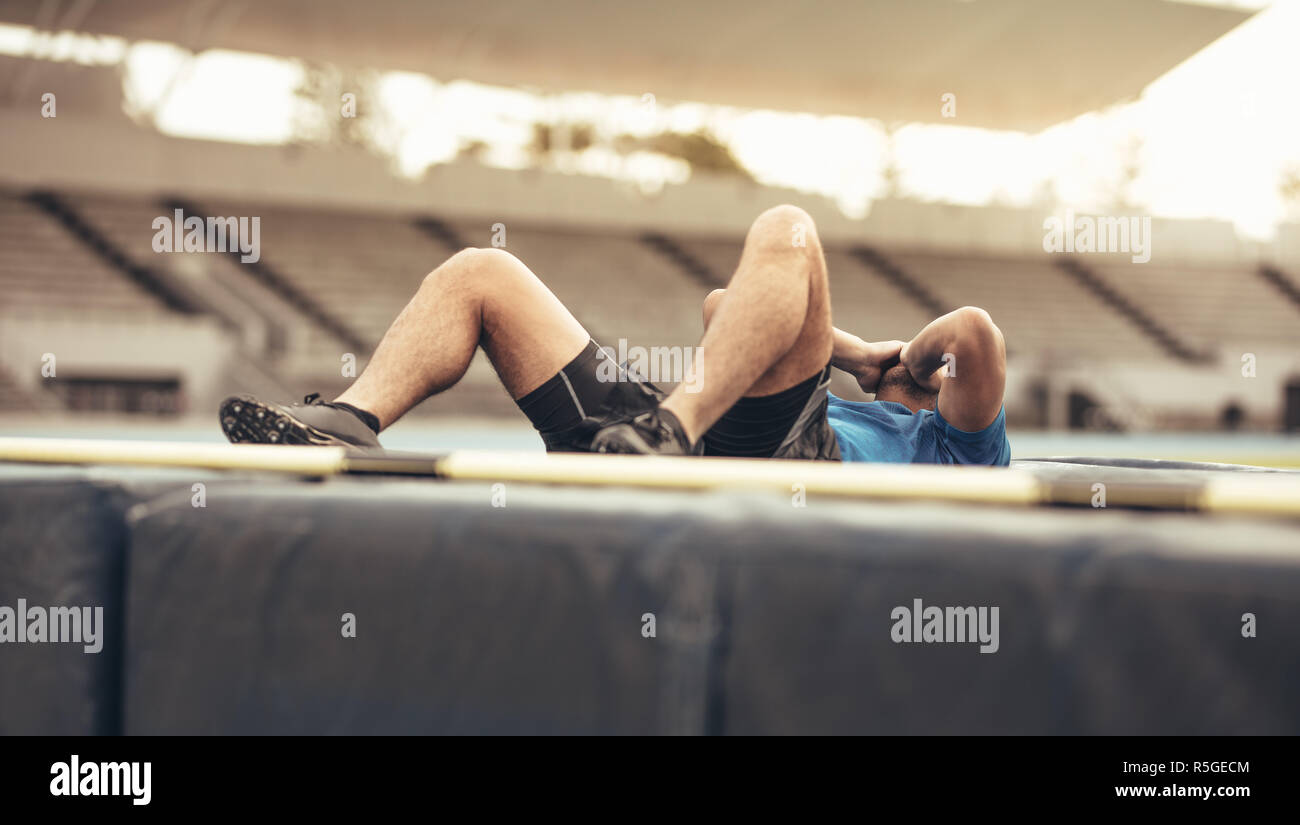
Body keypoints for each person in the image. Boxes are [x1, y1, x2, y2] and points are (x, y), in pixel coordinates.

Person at [219, 205, 1010, 465]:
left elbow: (974, 331)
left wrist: (896, 360)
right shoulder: (840, 387)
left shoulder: (958, 448)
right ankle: (352, 423)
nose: (935, 373)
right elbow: (721, 306)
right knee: (481, 271)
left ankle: (669, 433)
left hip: (792, 467)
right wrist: (863, 354)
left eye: (940, 379)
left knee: (790, 228)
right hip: (664, 435)